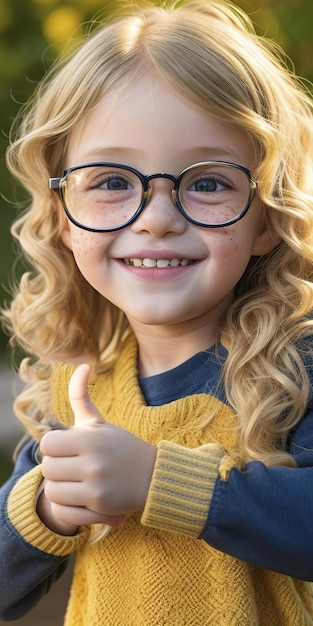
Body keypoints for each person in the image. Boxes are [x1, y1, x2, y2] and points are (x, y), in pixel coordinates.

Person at [1, 0, 313, 623]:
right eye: (112, 180)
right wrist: (49, 509)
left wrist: (158, 481)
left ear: (269, 217)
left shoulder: (296, 369)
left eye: (207, 182)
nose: (158, 219)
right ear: (63, 216)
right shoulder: (78, 386)